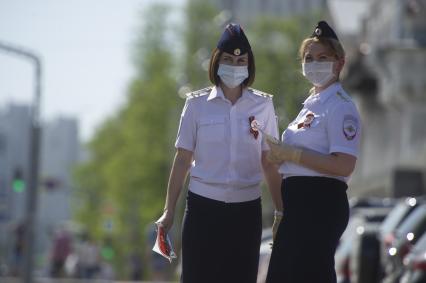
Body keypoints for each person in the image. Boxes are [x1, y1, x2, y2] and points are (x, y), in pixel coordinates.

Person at [155, 23, 282, 283]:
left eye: (241, 60)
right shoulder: (196, 105)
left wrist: (281, 210)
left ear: (249, 64)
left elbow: (269, 161)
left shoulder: (263, 105)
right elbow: (182, 160)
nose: (235, 65)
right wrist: (169, 211)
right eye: (228, 59)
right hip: (203, 209)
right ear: (216, 61)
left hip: (246, 211)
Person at [265, 21, 361, 283]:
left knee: (308, 273)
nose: (314, 63)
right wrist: (278, 155)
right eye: (309, 58)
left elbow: (344, 165)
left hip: (320, 202)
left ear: (339, 63)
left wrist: (293, 154)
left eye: (323, 57)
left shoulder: (340, 107)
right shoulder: (311, 105)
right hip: (298, 201)